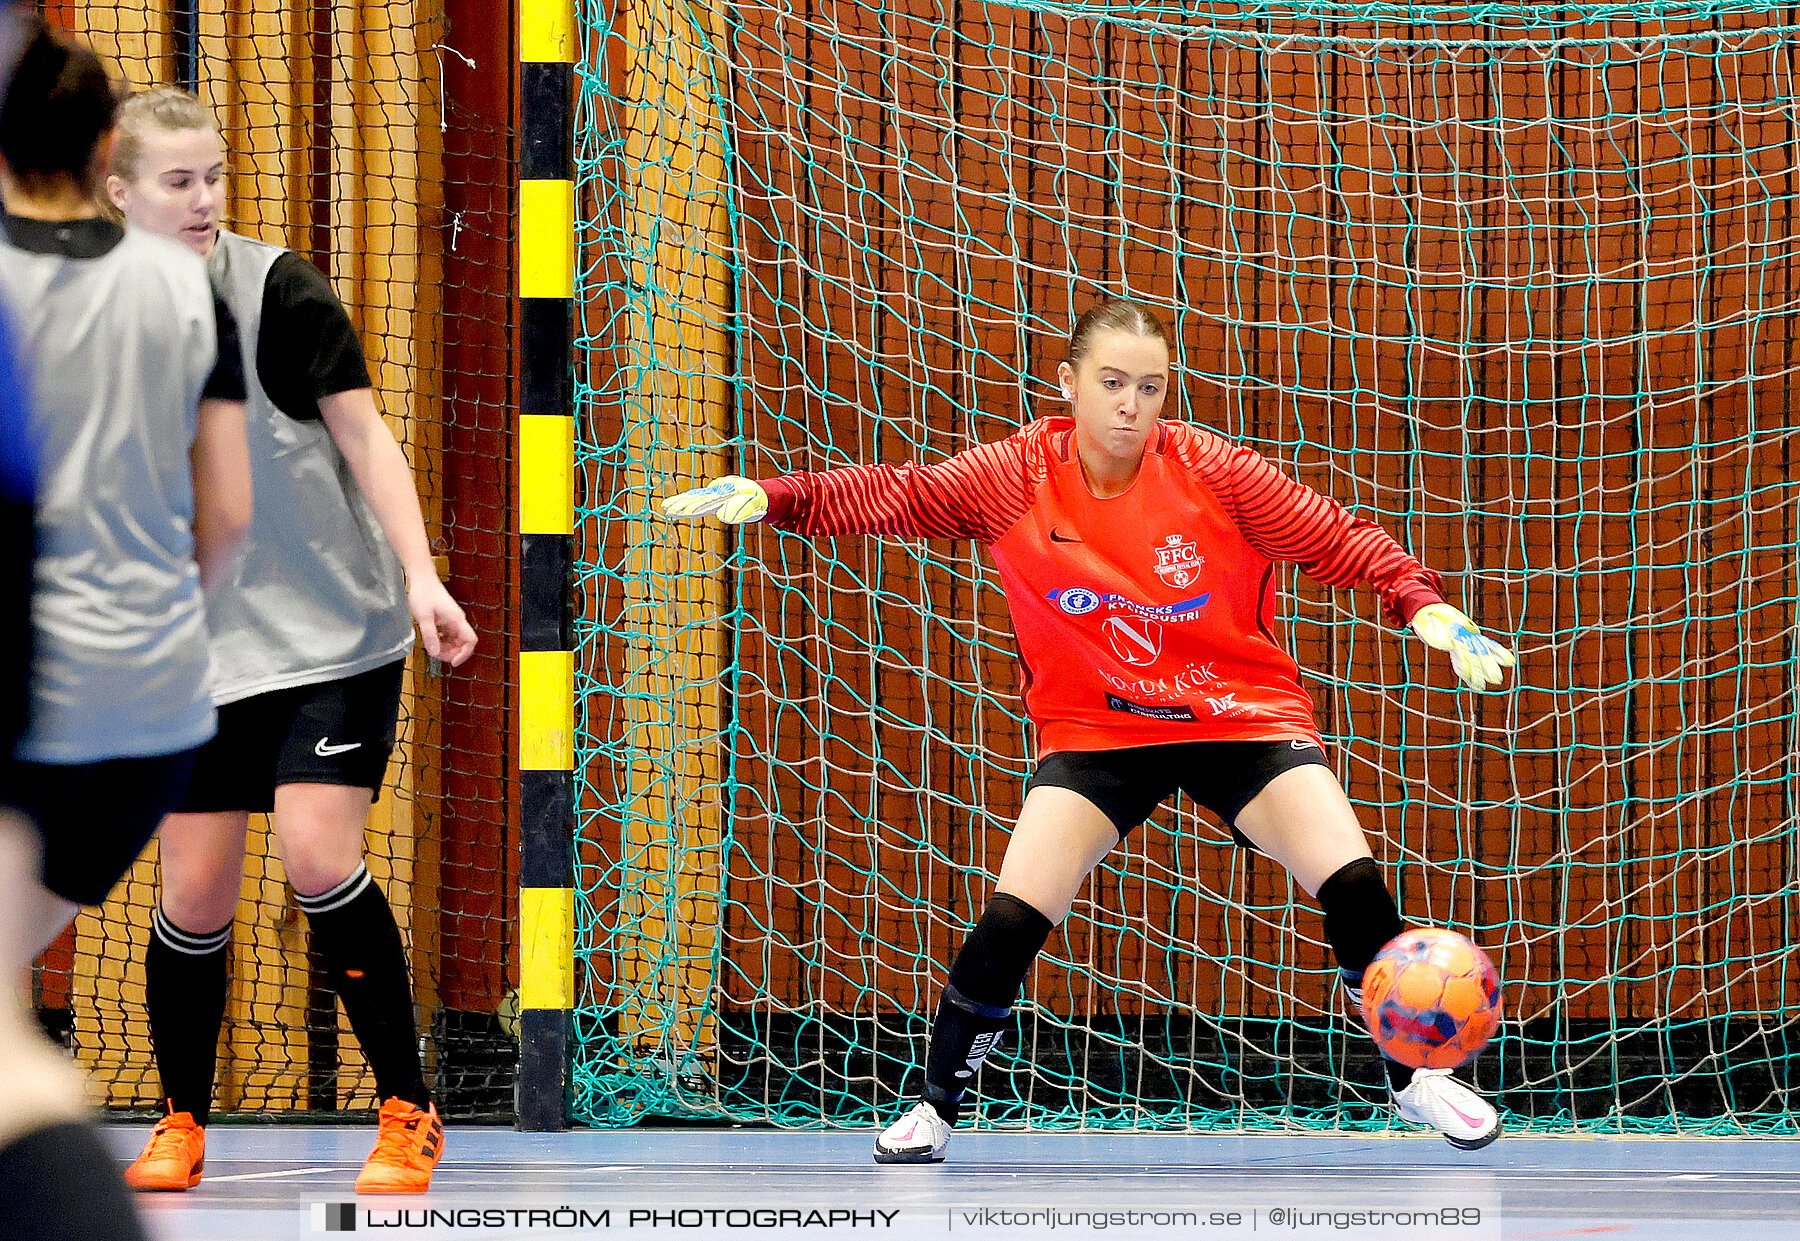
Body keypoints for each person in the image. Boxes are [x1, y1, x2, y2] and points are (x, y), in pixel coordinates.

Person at [661, 299, 1517, 1161]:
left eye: (1149, 387)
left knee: (1353, 876)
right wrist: (775, 496)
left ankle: (1417, 1077)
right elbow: (900, 493)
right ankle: (935, 1107)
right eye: (1111, 383)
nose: (1130, 405)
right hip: (1096, 728)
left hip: (1235, 713)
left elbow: (1335, 535)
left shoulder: (1212, 470)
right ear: (1069, 384)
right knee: (1013, 914)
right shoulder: (1016, 475)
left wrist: (1425, 604)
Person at [105, 85, 477, 1195]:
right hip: (194, 651)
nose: (203, 197)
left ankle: (408, 1106)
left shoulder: (282, 291)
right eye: (177, 181)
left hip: (332, 636)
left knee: (319, 855)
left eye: (213, 174)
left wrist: (421, 578)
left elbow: (368, 442)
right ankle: (179, 1117)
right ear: (116, 193)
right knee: (194, 891)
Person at [0, 17, 248, 1238]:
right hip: (153, 704)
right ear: (106, 149)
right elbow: (227, 515)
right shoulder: (180, 287)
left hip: (31, 692)